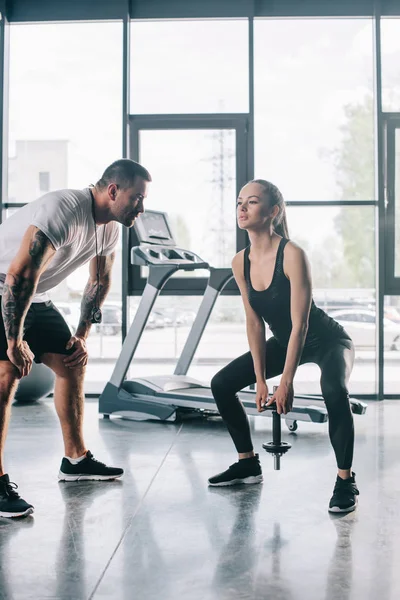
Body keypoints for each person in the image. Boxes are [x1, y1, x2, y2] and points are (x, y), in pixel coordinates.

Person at [0, 158, 151, 518]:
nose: (141, 208)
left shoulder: (111, 227)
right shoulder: (63, 209)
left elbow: (99, 282)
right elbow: (20, 275)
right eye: (137, 198)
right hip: (6, 287)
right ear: (113, 190)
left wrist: (81, 335)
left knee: (72, 363)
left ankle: (76, 459)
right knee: (7, 374)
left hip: (35, 295)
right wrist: (14, 339)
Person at [208, 179, 359, 514]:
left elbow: (301, 325)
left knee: (333, 389)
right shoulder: (240, 262)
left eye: (252, 202)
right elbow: (253, 322)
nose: (242, 208)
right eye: (239, 202)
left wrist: (286, 382)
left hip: (328, 340)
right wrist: (260, 380)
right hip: (284, 340)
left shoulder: (292, 255)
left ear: (273, 211)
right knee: (221, 384)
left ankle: (345, 480)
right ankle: (247, 463)